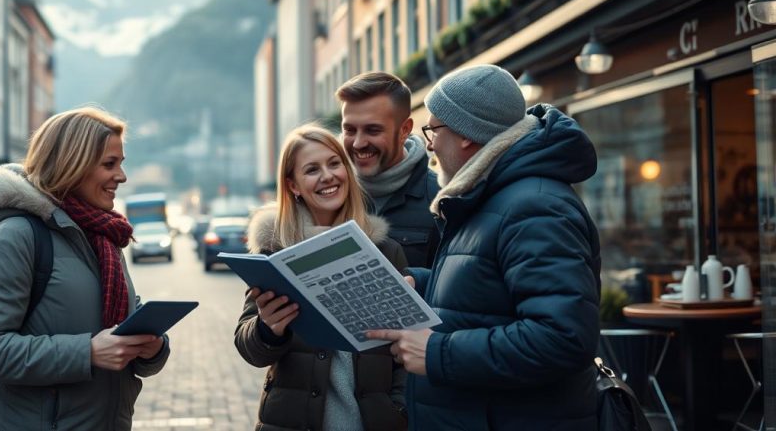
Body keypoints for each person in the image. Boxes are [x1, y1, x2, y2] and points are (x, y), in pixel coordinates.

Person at [366, 64, 601, 430]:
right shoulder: (493, 195)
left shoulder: (534, 207)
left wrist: (437, 352)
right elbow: (491, 291)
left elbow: (562, 338)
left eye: (433, 130)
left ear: (466, 135)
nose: (428, 144)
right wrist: (420, 282)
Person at [0, 106, 169, 431]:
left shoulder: (104, 235)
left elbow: (124, 317)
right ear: (74, 165)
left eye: (121, 163)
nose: (122, 176)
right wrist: (85, 352)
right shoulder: (16, 236)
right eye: (109, 164)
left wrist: (153, 347)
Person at [235, 124, 409, 431]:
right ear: (293, 185)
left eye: (334, 163)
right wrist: (267, 330)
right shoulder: (275, 252)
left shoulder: (386, 251)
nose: (327, 176)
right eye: (312, 169)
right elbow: (249, 348)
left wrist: (397, 406)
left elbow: (409, 348)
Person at [336, 72, 440, 267]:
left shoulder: (440, 202)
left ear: (404, 130)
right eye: (349, 130)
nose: (358, 143)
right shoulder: (326, 196)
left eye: (373, 130)